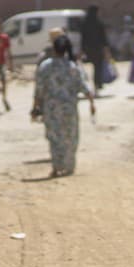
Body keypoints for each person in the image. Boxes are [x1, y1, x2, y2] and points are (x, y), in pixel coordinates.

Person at [32, 36, 95, 178]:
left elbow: (39, 90)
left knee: (54, 137)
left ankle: (57, 166)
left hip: (51, 109)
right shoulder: (73, 67)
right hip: (69, 108)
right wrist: (91, 102)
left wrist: (35, 108)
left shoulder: (45, 66)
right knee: (70, 136)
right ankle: (69, 165)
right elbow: (84, 87)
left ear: (54, 49)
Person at [81, 5, 109, 93]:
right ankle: (97, 85)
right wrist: (106, 49)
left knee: (93, 66)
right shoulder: (99, 23)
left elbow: (83, 37)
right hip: (98, 48)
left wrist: (82, 49)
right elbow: (103, 38)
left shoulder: (84, 23)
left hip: (88, 49)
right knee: (98, 67)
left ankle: (95, 85)